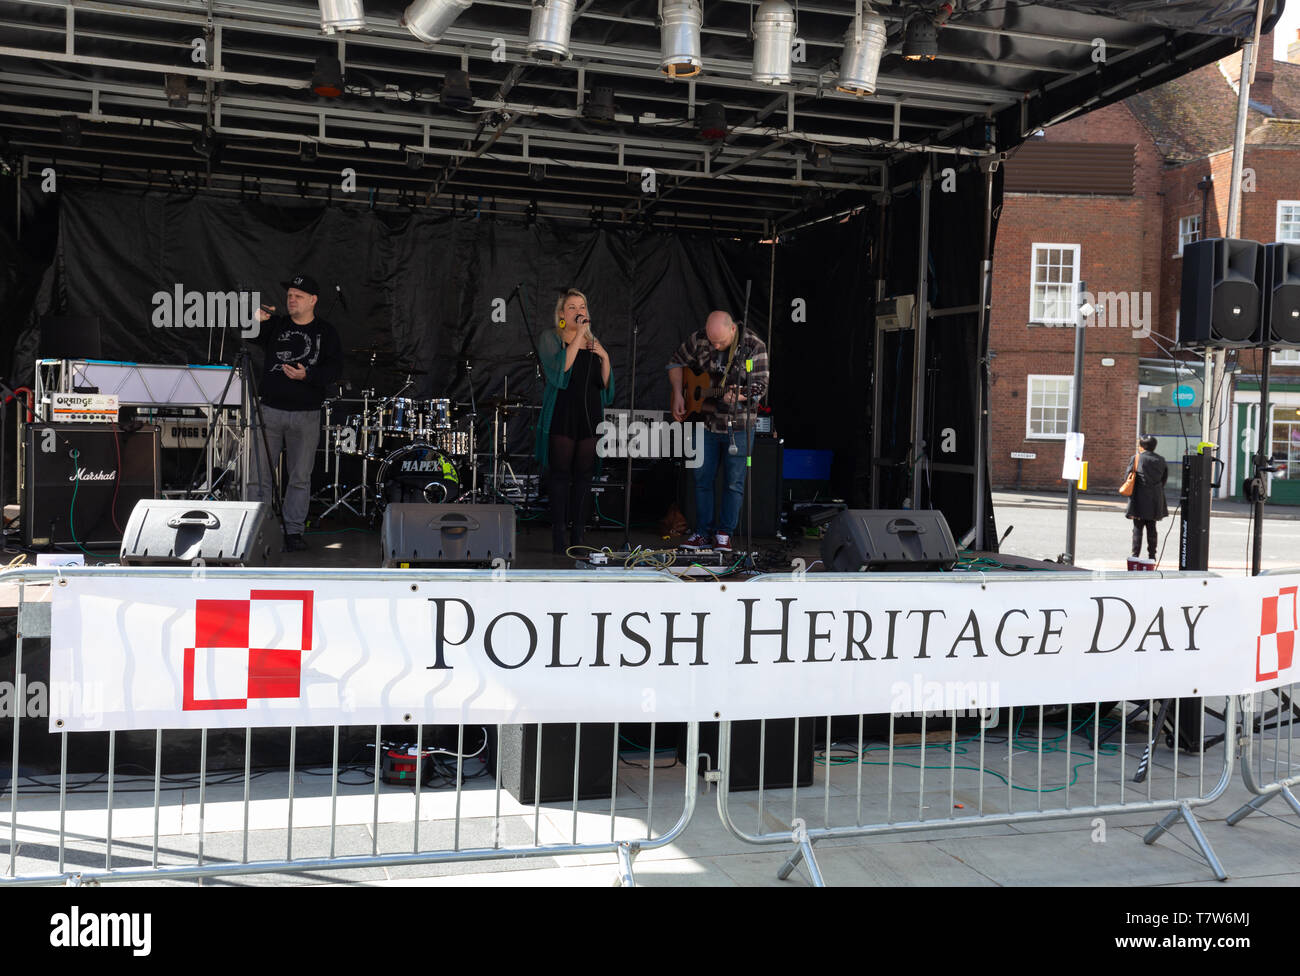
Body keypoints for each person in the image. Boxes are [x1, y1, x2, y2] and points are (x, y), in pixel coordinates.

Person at [248, 273, 343, 551]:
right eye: (289, 295)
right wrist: (256, 320)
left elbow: (334, 370)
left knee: (300, 477)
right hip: (269, 410)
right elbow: (248, 337)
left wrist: (307, 375)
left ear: (313, 300)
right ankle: (256, 530)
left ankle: (293, 531)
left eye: (298, 296)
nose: (292, 300)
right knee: (259, 475)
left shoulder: (326, 332)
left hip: (306, 414)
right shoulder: (276, 325)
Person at [667, 310, 769, 552]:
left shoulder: (754, 345)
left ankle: (724, 534)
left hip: (740, 426)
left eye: (720, 342)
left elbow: (761, 386)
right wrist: (679, 394)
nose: (715, 345)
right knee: (702, 479)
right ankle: (702, 532)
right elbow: (675, 362)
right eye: (712, 341)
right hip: (706, 423)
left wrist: (741, 395)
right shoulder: (700, 339)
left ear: (733, 329)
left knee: (734, 482)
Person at [535, 288, 614, 555]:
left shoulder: (594, 341)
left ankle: (579, 533)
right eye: (571, 307)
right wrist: (578, 335)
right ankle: (559, 533)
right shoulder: (551, 338)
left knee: (584, 476)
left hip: (590, 414)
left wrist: (604, 357)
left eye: (582, 306)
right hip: (563, 412)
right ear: (561, 314)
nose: (578, 311)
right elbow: (560, 371)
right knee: (560, 475)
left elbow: (605, 385)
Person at [1126, 435, 1168, 562]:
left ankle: (1135, 555)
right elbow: (1163, 480)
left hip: (1139, 499)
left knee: (1137, 528)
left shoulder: (1136, 458)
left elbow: (1127, 477)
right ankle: (1152, 556)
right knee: (1152, 528)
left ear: (1142, 446)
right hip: (1155, 499)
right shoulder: (1161, 460)